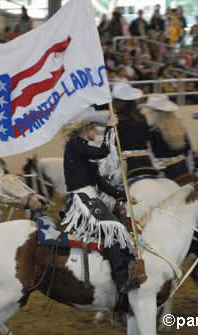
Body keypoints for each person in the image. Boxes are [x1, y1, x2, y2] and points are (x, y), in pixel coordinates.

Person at [61, 112, 144, 295]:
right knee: (114, 228)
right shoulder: (74, 146)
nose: (97, 130)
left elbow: (98, 180)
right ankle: (121, 280)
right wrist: (110, 126)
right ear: (85, 128)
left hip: (90, 197)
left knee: (119, 227)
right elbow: (103, 151)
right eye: (94, 127)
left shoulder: (83, 148)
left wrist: (123, 196)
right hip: (80, 199)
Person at [111, 82, 157, 178]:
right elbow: (148, 138)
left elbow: (109, 145)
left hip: (126, 164)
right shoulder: (142, 118)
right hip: (145, 161)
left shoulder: (113, 120)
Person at [143, 94, 193, 182]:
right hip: (184, 167)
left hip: (166, 172)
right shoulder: (179, 127)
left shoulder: (153, 130)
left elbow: (152, 154)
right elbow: (188, 149)